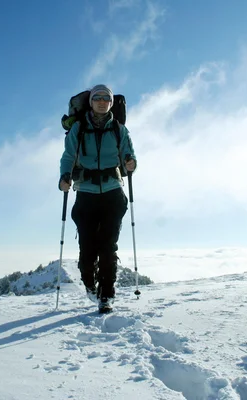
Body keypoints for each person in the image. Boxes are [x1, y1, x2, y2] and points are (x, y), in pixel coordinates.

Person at [59, 84, 137, 309]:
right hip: (86, 194)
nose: (102, 102)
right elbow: (68, 156)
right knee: (87, 248)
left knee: (108, 246)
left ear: (111, 103)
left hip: (113, 192)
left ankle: (106, 295)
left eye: (106, 99)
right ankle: (89, 284)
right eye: (98, 98)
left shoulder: (119, 130)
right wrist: (65, 177)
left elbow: (129, 156)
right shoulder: (79, 129)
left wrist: (131, 163)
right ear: (91, 102)